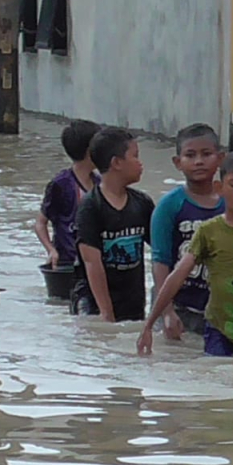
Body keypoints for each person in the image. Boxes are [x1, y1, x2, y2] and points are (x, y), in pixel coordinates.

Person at [138, 152, 233, 357]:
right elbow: (178, 275)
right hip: (219, 326)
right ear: (219, 188)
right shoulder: (208, 230)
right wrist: (150, 323)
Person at [71, 127, 155, 322]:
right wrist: (106, 314)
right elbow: (92, 262)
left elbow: (161, 248)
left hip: (133, 302)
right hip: (93, 304)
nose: (140, 163)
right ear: (116, 163)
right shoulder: (90, 207)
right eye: (135, 156)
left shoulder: (142, 203)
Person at [151, 123, 225, 337]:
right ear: (178, 162)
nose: (199, 161)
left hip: (216, 309)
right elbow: (160, 261)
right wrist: (166, 311)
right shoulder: (169, 206)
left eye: (206, 154)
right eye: (190, 155)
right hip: (179, 306)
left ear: (220, 158)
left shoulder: (230, 203)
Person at [35, 119, 102, 269]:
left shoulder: (99, 182)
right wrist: (51, 250)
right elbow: (40, 223)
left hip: (94, 263)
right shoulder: (61, 184)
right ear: (89, 150)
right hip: (68, 264)